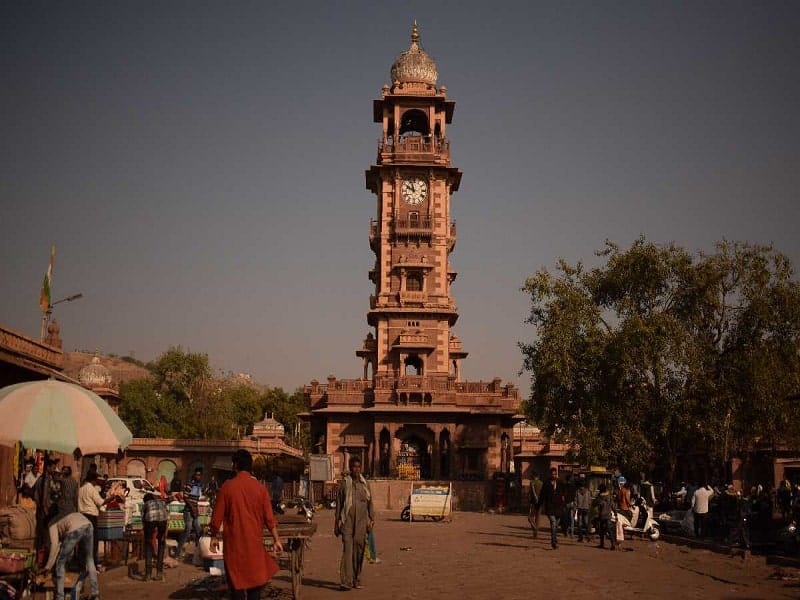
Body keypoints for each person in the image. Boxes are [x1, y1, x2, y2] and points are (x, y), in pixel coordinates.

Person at [209, 450, 283, 600]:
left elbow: (217, 517)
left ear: (235, 465)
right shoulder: (261, 489)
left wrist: (213, 536)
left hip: (234, 547)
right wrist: (277, 539)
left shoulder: (227, 487)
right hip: (254, 546)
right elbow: (269, 518)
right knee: (255, 589)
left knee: (236, 588)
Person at [335, 457, 375, 590]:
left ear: (361, 468)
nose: (356, 469)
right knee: (347, 550)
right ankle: (346, 581)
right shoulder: (345, 484)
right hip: (347, 522)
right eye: (354, 467)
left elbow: (370, 503)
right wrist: (336, 523)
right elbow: (340, 504)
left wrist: (372, 520)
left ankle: (356, 578)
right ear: (350, 468)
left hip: (362, 523)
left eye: (358, 467)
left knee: (359, 551)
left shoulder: (365, 484)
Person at [41, 512, 99, 600]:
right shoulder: (62, 518)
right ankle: (95, 594)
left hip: (76, 529)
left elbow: (54, 546)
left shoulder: (51, 525)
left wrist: (48, 567)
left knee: (60, 563)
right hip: (88, 525)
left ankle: (59, 596)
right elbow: (63, 545)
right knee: (90, 559)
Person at [78, 472, 107, 570]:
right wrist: (110, 498)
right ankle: (92, 564)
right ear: (94, 480)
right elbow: (100, 502)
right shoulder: (91, 488)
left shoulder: (81, 489)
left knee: (82, 541)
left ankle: (82, 564)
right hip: (91, 516)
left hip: (82, 516)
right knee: (93, 541)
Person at [142, 492, 169, 581]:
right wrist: (164, 534)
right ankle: (159, 573)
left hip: (150, 520)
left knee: (148, 545)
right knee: (161, 544)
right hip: (162, 520)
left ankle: (148, 574)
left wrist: (146, 532)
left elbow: (143, 519)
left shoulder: (146, 504)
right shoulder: (161, 502)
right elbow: (166, 515)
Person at [537, 467, 566, 549]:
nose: (554, 476)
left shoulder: (560, 482)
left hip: (558, 507)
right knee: (553, 523)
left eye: (555, 474)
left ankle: (554, 539)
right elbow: (542, 495)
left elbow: (564, 493)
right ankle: (553, 541)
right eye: (552, 474)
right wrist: (539, 505)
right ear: (550, 474)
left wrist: (563, 501)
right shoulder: (546, 483)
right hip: (549, 507)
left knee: (556, 526)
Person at [177, 469, 204, 557]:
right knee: (187, 530)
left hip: (194, 512)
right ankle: (178, 551)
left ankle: (197, 551)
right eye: (197, 475)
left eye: (199, 475)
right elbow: (185, 497)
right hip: (188, 511)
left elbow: (196, 499)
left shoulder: (199, 485)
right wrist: (192, 507)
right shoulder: (190, 484)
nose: (198, 476)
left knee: (198, 531)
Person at [593, 484, 616, 550]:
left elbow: (594, 504)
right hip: (608, 515)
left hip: (602, 515)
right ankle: (612, 544)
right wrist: (615, 514)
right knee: (609, 530)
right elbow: (613, 506)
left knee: (602, 530)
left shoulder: (599, 497)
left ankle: (602, 544)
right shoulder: (609, 496)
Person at [574, 476, 591, 542]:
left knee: (580, 523)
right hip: (586, 508)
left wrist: (575, 509)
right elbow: (589, 501)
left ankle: (580, 537)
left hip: (580, 509)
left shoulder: (577, 492)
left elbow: (575, 501)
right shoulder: (588, 492)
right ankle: (587, 536)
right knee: (586, 523)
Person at [528, 472, 543, 539]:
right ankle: (535, 535)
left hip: (534, 502)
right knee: (537, 518)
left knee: (530, 518)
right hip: (540, 502)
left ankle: (535, 529)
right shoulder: (541, 483)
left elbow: (532, 492)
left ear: (534, 476)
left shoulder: (532, 482)